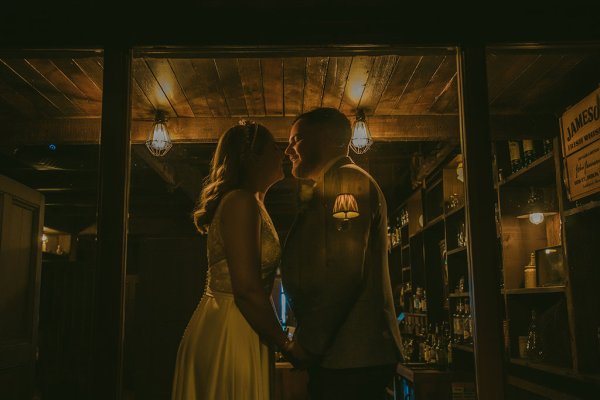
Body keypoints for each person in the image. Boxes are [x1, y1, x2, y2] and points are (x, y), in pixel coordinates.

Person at [172, 122, 308, 400]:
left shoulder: (253, 202)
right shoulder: (240, 202)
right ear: (253, 157)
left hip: (243, 323)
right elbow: (246, 289)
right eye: (273, 146)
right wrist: (287, 345)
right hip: (230, 329)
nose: (282, 152)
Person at [281, 108, 403, 399]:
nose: (288, 150)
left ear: (324, 139)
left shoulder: (346, 181)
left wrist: (308, 343)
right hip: (344, 353)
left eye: (296, 139)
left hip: (351, 353)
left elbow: (342, 271)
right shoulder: (330, 184)